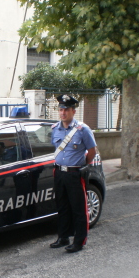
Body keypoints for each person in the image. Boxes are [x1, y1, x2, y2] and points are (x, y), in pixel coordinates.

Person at [50, 94, 97, 253]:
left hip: (74, 174)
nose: (63, 113)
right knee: (62, 207)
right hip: (59, 173)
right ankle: (63, 237)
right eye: (61, 109)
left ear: (73, 111)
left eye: (66, 110)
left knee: (78, 209)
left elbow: (92, 151)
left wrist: (82, 165)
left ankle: (79, 241)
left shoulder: (82, 130)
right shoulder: (55, 129)